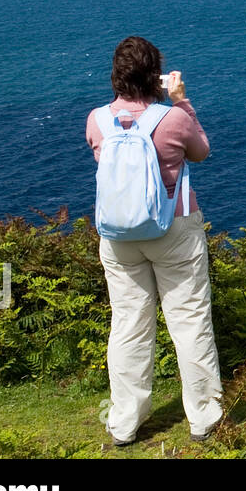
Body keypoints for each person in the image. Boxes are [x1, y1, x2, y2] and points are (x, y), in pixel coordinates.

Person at [86, 36, 222, 445]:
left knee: (128, 325)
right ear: (155, 76)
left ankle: (125, 423)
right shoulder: (172, 118)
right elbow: (200, 152)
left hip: (118, 235)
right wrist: (180, 100)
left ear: (116, 75)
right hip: (173, 228)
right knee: (190, 320)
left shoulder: (96, 119)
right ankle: (203, 417)